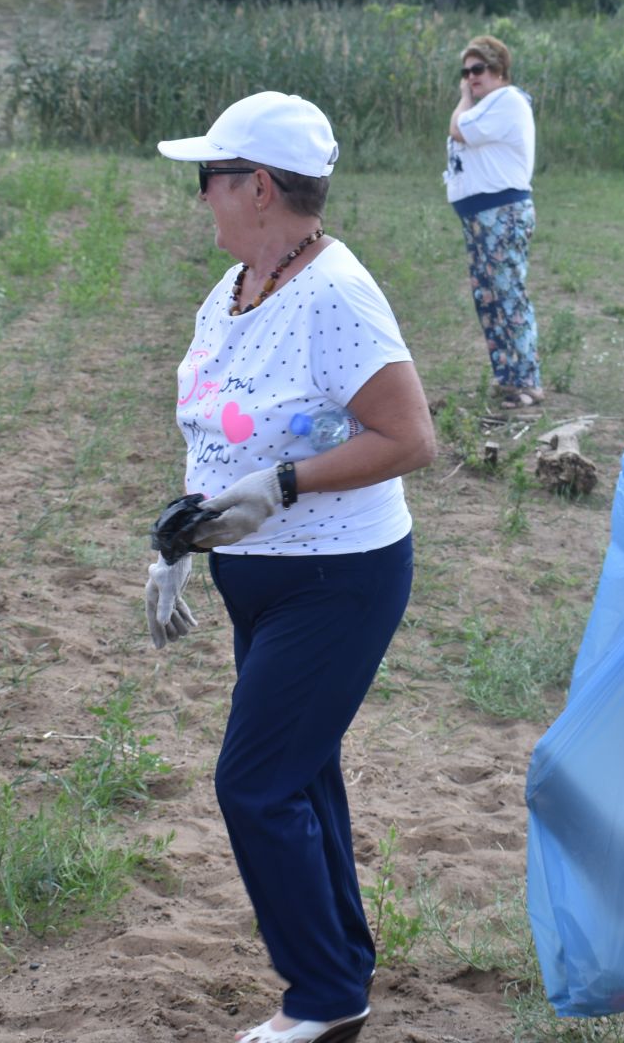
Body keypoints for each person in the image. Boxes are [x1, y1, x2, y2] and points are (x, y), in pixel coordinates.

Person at [147, 91, 436, 1043]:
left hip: (337, 579)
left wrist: (285, 484)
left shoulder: (334, 294)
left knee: (255, 783)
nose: (203, 200)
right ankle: (341, 969)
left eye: (211, 180)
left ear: (260, 188)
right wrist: (180, 543)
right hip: (257, 576)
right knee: (302, 776)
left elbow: (410, 437)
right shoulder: (234, 288)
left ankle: (322, 999)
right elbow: (215, 427)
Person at [446, 34, 543, 409]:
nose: (471, 77)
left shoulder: (507, 99)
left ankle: (527, 382)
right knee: (487, 297)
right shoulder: (486, 107)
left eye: (478, 69)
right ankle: (507, 380)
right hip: (479, 217)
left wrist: (464, 99)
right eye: (466, 72)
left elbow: (459, 130)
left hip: (501, 214)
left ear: (499, 69)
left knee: (507, 295)